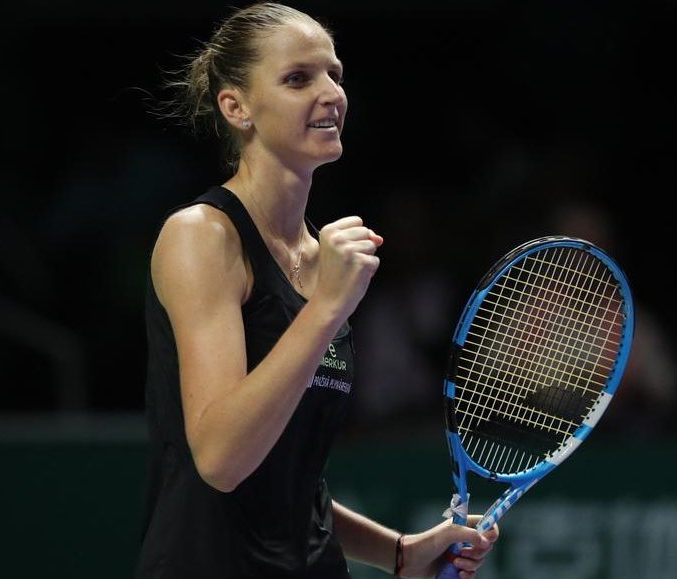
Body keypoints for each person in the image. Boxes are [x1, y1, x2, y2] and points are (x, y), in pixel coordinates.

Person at [135, 3, 498, 578]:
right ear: (236, 107)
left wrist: (399, 552)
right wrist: (328, 307)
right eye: (298, 79)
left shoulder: (319, 259)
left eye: (335, 74)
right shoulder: (203, 237)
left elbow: (289, 479)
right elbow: (221, 459)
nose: (331, 94)